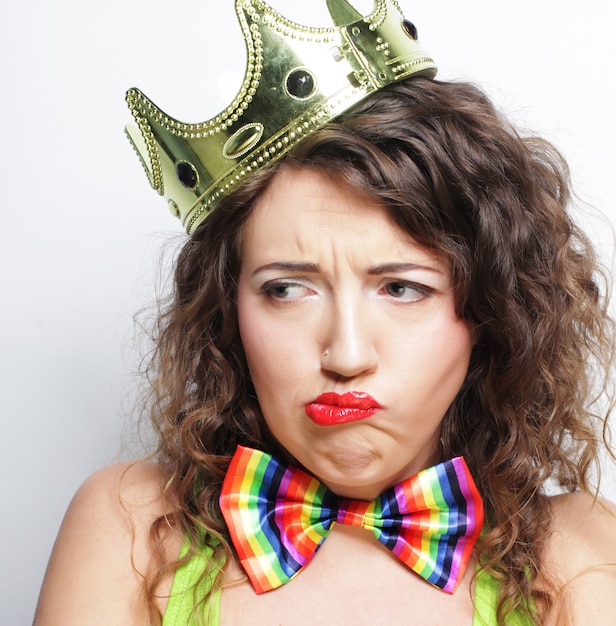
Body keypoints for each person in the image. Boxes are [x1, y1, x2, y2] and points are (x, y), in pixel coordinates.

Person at [34, 0, 616, 624]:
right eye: (288, 289)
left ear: (491, 312)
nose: (346, 355)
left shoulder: (576, 555)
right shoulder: (128, 528)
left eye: (401, 289)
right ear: (227, 312)